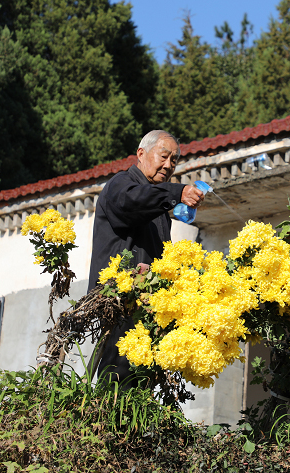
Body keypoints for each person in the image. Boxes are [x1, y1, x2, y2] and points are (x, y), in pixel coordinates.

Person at [87, 130, 204, 386]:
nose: (168, 165)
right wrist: (176, 193)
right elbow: (132, 201)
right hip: (120, 302)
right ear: (141, 153)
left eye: (174, 160)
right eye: (164, 156)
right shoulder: (120, 185)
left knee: (141, 389)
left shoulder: (159, 210)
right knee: (116, 384)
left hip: (148, 309)